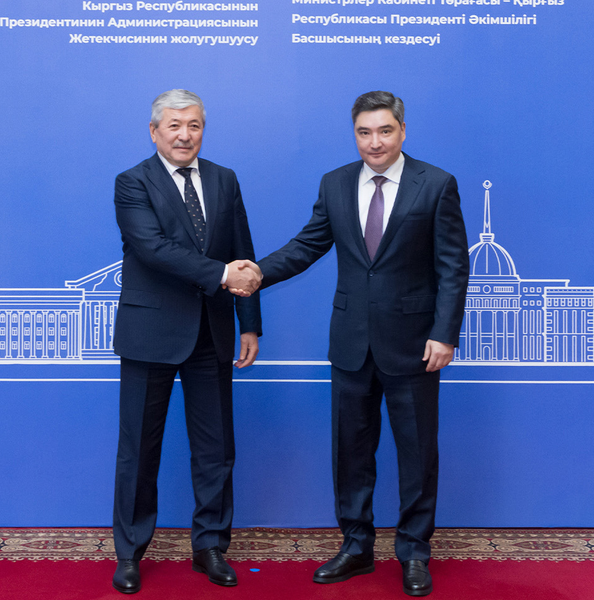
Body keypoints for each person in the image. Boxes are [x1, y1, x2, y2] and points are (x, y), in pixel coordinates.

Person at [251, 91, 468, 597]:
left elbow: (453, 267)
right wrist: (257, 272)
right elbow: (307, 245)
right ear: (355, 134)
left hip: (414, 345)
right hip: (350, 343)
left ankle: (414, 552)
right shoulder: (335, 183)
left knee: (417, 454)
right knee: (350, 451)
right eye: (364, 132)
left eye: (385, 131)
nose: (375, 142)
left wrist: (444, 333)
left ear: (402, 131)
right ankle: (356, 546)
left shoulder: (436, 184)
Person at [110, 89, 263, 595]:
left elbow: (242, 250)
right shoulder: (132, 182)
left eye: (193, 125)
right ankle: (130, 552)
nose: (184, 135)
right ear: (154, 131)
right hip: (150, 333)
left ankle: (210, 547)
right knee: (139, 449)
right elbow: (152, 248)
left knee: (216, 447)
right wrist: (221, 274)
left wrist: (249, 322)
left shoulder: (224, 179)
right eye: (174, 125)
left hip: (212, 331)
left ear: (203, 129)